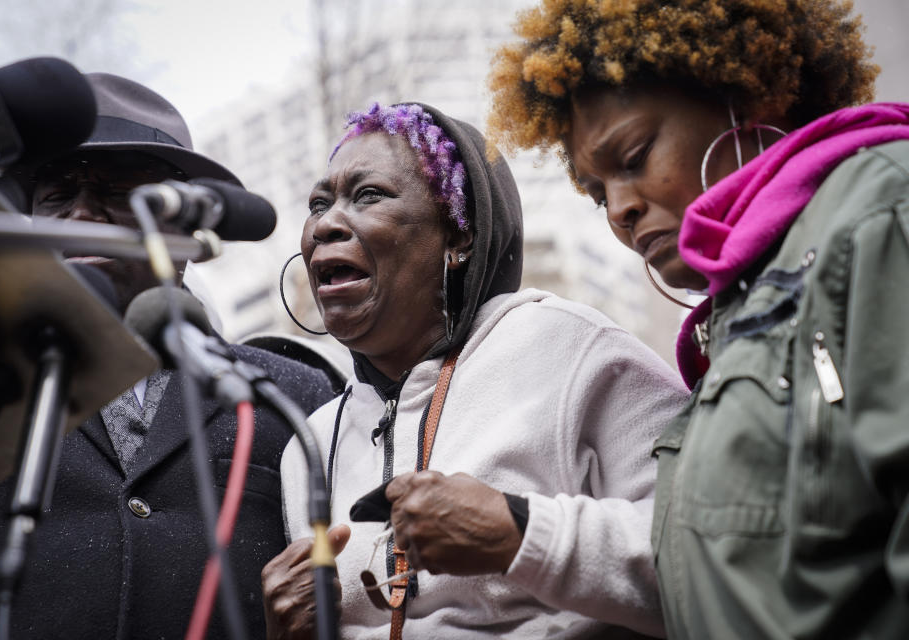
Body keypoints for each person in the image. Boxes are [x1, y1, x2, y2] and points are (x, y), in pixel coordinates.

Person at [487, 1, 909, 637]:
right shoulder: (737, 319)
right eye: (598, 192)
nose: (620, 210)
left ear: (747, 95)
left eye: (632, 157)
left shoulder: (879, 213)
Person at [261, 102, 688, 639]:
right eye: (318, 204)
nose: (325, 223)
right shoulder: (309, 446)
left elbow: (717, 555)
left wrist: (519, 533)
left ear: (458, 234)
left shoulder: (571, 348)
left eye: (368, 195)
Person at [0, 73, 335, 639]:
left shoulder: (292, 395)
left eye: (118, 192)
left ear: (185, 222)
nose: (81, 215)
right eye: (56, 195)